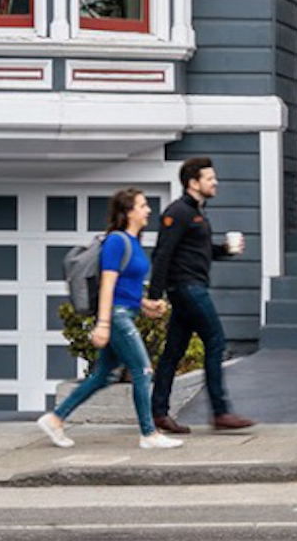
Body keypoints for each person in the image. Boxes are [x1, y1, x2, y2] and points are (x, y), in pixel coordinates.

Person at [37, 188, 182, 450]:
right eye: (142, 205)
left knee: (102, 376)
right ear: (128, 212)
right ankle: (149, 434)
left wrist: (146, 304)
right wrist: (103, 324)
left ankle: (55, 419)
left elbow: (126, 288)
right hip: (116, 317)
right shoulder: (116, 241)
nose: (148, 210)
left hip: (124, 312)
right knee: (143, 370)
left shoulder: (133, 242)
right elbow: (108, 284)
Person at [147, 157, 257, 434]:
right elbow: (162, 254)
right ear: (193, 183)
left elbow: (200, 250)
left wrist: (225, 250)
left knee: (173, 351)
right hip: (187, 287)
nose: (215, 182)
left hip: (189, 287)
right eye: (209, 178)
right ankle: (220, 411)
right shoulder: (178, 212)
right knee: (216, 341)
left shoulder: (196, 212)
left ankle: (158, 412)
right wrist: (154, 296)